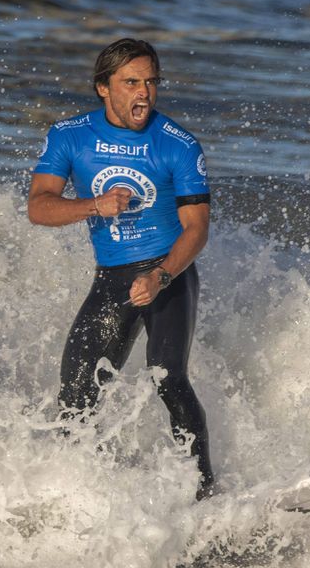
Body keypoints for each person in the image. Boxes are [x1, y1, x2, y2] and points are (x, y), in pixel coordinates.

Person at [27, 38, 215, 500]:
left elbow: (196, 230)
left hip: (167, 273)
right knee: (76, 389)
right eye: (131, 82)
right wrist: (93, 204)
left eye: (151, 82)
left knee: (167, 374)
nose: (144, 93)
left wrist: (160, 277)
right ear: (102, 88)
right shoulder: (69, 136)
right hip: (112, 278)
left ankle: (206, 493)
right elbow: (38, 207)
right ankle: (75, 494)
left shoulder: (178, 145)